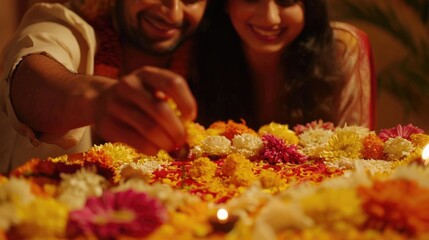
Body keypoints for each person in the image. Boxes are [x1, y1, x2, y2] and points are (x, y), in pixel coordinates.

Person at [0, 0, 207, 173]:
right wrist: (98, 99)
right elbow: (28, 80)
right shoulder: (70, 24)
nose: (174, 13)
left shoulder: (213, 53)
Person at [191, 0, 374, 130]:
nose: (270, 18)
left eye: (286, 1)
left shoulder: (341, 48)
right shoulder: (193, 48)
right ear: (225, 3)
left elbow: (355, 155)